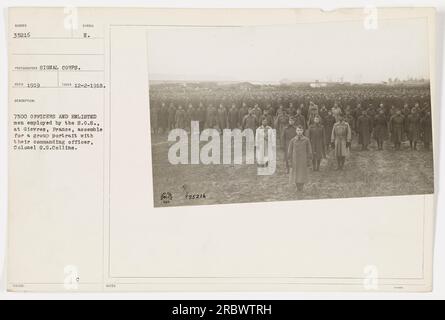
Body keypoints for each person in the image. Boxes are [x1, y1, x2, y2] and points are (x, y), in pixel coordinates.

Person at [288, 125, 312, 192]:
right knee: (296, 174)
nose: (299, 132)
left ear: (303, 131)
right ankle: (297, 187)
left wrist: (309, 160)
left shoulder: (306, 140)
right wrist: (290, 161)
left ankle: (301, 187)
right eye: (298, 130)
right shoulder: (293, 140)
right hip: (295, 160)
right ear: (296, 131)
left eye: (300, 130)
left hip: (303, 160)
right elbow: (289, 151)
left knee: (302, 174)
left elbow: (309, 151)